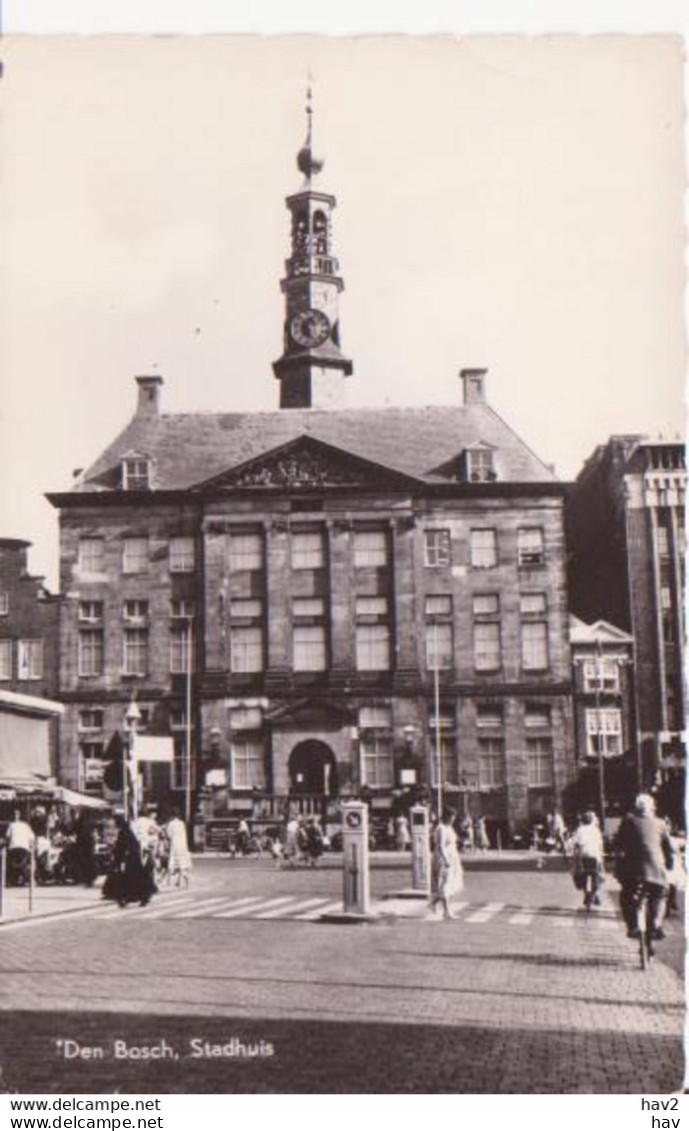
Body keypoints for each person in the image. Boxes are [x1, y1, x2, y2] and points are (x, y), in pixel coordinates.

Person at [614, 793, 674, 941]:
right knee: (660, 894)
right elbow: (669, 848)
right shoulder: (661, 823)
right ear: (652, 808)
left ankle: (633, 926)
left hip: (632, 872)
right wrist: (669, 864)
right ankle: (656, 924)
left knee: (626, 896)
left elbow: (618, 844)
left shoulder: (627, 822)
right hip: (655, 869)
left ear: (635, 808)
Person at [105, 814, 156, 907]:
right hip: (133, 859)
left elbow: (121, 848)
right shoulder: (128, 831)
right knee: (134, 880)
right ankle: (140, 897)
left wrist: (118, 860)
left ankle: (133, 898)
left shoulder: (123, 833)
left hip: (130, 860)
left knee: (129, 880)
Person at [430, 808, 464, 920]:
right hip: (444, 857)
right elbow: (440, 846)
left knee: (449, 883)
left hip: (452, 856)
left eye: (454, 817)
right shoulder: (441, 828)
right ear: (447, 816)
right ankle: (447, 911)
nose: (453, 819)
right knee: (445, 883)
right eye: (451, 817)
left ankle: (434, 903)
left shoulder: (449, 827)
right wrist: (445, 860)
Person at [570, 811, 604, 907]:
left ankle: (586, 894)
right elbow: (600, 845)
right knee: (597, 877)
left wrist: (574, 857)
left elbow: (575, 844)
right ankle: (593, 895)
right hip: (594, 856)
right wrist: (601, 857)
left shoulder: (579, 830)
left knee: (582, 877)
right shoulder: (596, 830)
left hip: (583, 856)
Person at [6, 810, 35, 886]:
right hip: (24, 847)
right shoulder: (26, 825)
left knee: (13, 864)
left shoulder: (11, 825)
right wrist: (31, 846)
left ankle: (14, 880)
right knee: (23, 864)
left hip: (14, 846)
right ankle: (27, 880)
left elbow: (7, 837)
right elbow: (32, 837)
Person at [166, 810, 192, 888]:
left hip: (175, 845)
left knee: (173, 863)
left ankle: (170, 882)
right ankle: (182, 882)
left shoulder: (171, 824)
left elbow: (169, 834)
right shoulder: (181, 823)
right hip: (183, 846)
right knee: (182, 864)